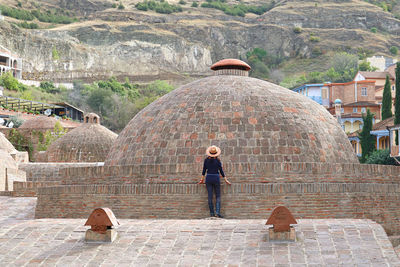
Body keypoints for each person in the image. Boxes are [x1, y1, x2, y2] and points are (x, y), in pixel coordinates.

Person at [198, 145, 231, 217]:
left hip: (208, 177)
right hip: (216, 178)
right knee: (218, 196)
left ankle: (212, 213)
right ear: (216, 153)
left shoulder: (206, 160)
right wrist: (226, 180)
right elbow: (221, 171)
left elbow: (204, 171)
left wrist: (201, 180)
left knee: (210, 196)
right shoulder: (218, 161)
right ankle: (217, 212)